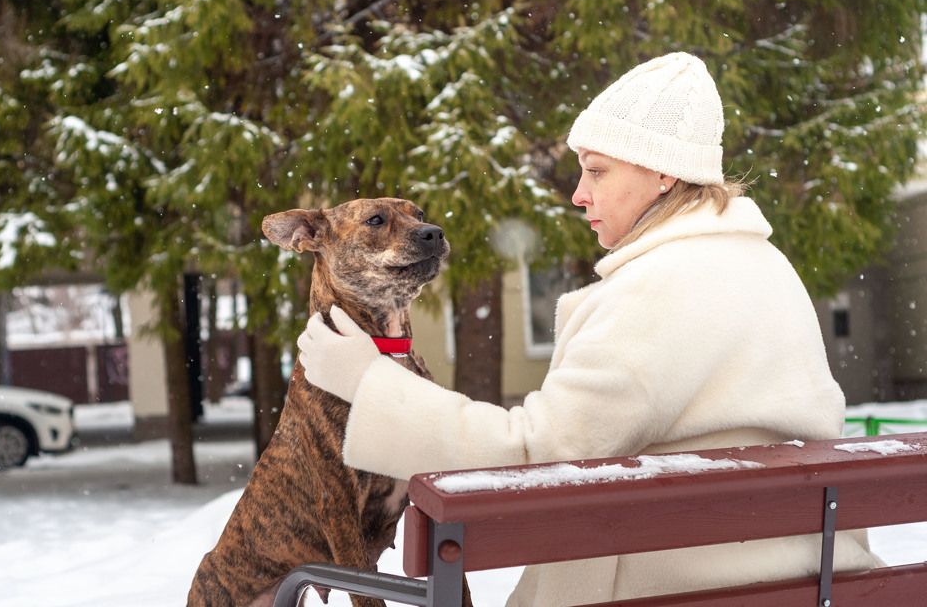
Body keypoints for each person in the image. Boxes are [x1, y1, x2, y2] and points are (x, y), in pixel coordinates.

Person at [297, 52, 880, 605]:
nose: (579, 195)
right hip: (796, 576)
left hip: (665, 586)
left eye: (596, 171)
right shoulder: (762, 265)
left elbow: (542, 456)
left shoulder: (659, 287)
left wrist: (367, 381)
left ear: (661, 174)